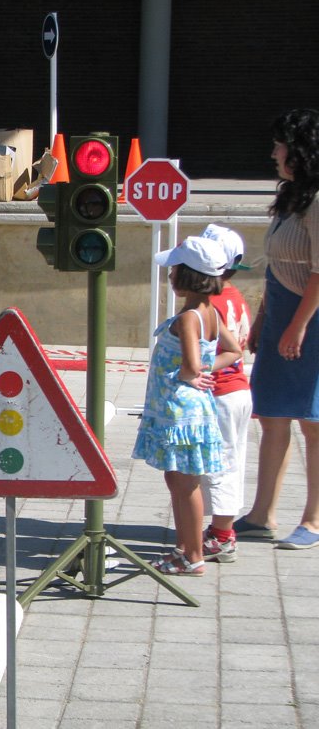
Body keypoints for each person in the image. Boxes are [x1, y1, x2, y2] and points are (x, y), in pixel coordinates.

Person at [235, 108, 319, 550]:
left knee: (313, 420)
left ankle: (313, 520)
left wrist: (298, 327)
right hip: (283, 313)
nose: (273, 153)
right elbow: (277, 266)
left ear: (300, 150)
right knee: (272, 415)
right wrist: (264, 319)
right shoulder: (291, 198)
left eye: (280, 145)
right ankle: (261, 514)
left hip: (311, 319)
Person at [132, 236, 241, 576]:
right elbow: (234, 351)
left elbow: (192, 364)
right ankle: (186, 548)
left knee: (184, 483)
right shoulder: (210, 312)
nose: (169, 275)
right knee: (179, 480)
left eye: (174, 269)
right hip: (190, 410)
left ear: (188, 276)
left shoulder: (189, 318)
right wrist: (205, 368)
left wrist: (190, 371)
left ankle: (192, 555)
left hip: (180, 412)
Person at [198, 224, 253, 564]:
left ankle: (222, 535)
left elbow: (201, 352)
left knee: (218, 465)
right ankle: (221, 529)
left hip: (219, 392)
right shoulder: (234, 297)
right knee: (232, 460)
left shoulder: (210, 305)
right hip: (238, 392)